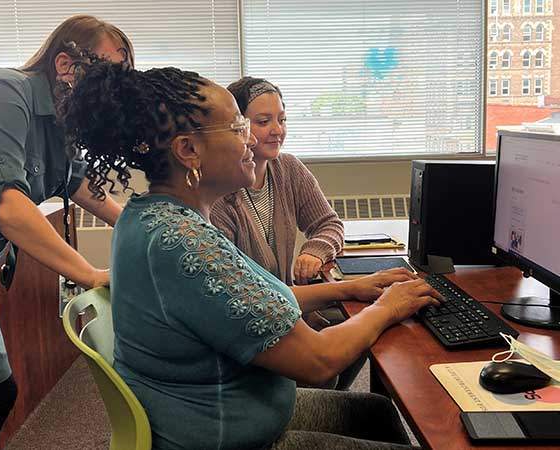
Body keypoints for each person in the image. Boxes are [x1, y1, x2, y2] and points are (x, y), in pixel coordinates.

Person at [63, 60, 442, 450]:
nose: (253, 140)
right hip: (227, 436)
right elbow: (318, 361)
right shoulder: (183, 243)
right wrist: (388, 308)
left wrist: (352, 290)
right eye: (240, 127)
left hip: (225, 411)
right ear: (188, 150)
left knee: (375, 413)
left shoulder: (152, 216)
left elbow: (256, 297)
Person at [0, 15, 133, 449]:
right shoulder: (3, 93)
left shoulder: (62, 118)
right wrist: (89, 273)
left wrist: (145, 222)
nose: (115, 92)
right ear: (63, 65)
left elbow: (76, 183)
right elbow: (5, 203)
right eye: (108, 74)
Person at [211, 76, 344, 286]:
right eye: (264, 122)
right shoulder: (219, 191)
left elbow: (329, 224)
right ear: (236, 127)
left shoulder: (289, 168)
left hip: (289, 304)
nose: (278, 130)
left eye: (282, 120)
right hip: (256, 310)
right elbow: (237, 290)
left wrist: (316, 251)